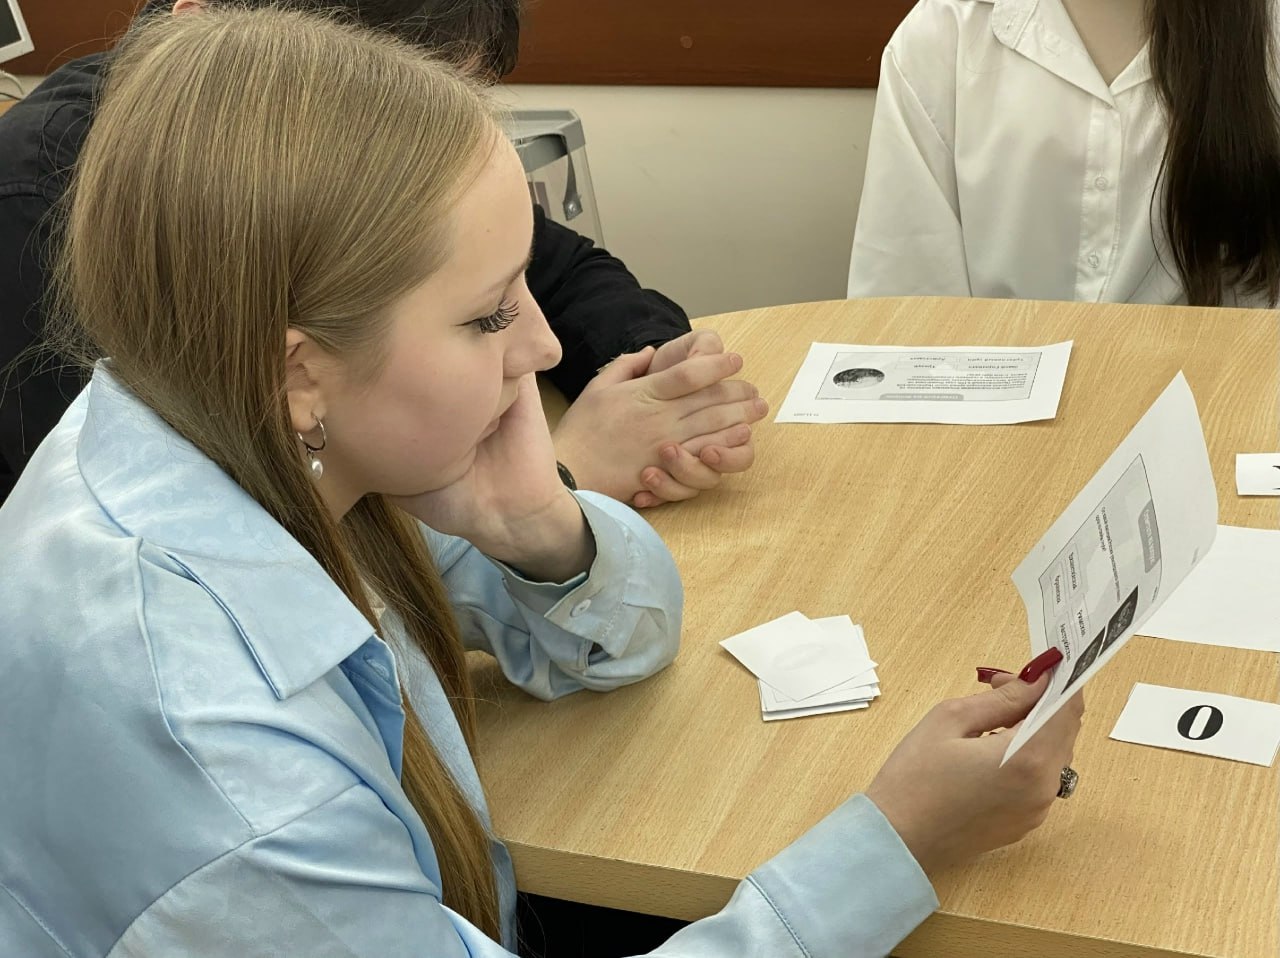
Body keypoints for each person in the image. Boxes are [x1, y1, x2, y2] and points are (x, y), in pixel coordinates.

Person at [0, 9, 1083, 956]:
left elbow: (628, 638)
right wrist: (900, 841)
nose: (546, 343)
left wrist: (537, 524)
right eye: (486, 315)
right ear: (299, 367)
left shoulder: (220, 411)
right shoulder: (235, 785)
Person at [0, 0, 765, 510]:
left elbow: (553, 268)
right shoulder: (35, 217)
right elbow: (189, 535)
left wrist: (656, 378)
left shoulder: (310, 151)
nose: (540, 343)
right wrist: (558, 477)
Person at [847, 0, 1280, 308]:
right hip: (990, 416)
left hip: (1222, 414)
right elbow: (904, 312)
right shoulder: (944, 33)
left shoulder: (1266, 34)